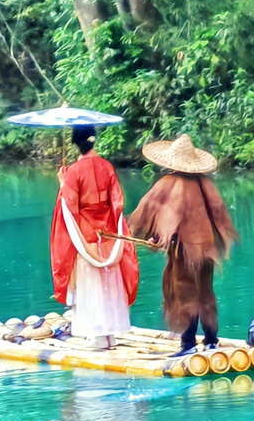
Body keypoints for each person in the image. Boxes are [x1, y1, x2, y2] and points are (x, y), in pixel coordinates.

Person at [129, 134, 238, 356]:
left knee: (185, 292)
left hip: (182, 250)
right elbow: (218, 217)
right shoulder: (207, 185)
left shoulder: (167, 184)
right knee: (205, 292)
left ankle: (187, 344)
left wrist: (155, 239)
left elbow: (153, 217)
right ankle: (211, 340)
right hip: (206, 249)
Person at [50, 125, 139, 349]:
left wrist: (62, 183)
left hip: (86, 235)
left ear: (75, 143)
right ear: (94, 141)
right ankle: (111, 333)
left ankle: (98, 335)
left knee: (91, 283)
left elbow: (69, 205)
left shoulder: (74, 172)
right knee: (109, 280)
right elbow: (117, 201)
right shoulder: (107, 166)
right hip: (108, 233)